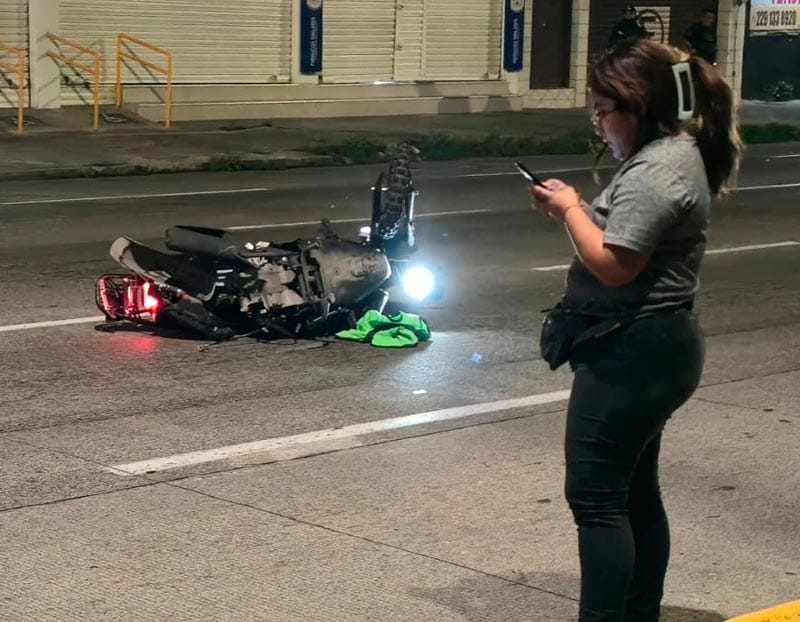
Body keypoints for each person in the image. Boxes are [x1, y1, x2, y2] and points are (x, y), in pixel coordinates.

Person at [530, 39, 742, 622]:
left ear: (639, 106)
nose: (599, 126)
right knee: (632, 490)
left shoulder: (658, 170)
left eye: (603, 112)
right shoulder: (672, 154)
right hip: (652, 347)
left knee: (597, 499)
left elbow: (616, 265)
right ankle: (639, 613)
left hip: (634, 351)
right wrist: (575, 209)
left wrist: (569, 210)